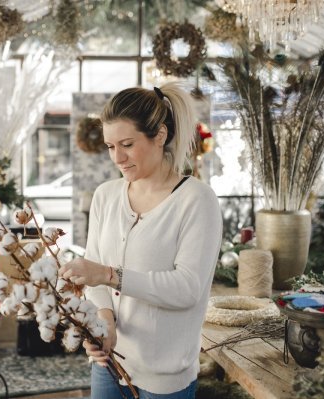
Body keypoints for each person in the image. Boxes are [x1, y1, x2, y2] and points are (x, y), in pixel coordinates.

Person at [58, 83, 222, 399]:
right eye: (110, 146)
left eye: (128, 144)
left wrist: (110, 274)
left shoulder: (196, 201)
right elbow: (93, 280)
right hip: (108, 365)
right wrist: (103, 321)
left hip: (165, 379)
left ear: (159, 136)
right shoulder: (105, 196)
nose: (117, 157)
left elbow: (187, 288)